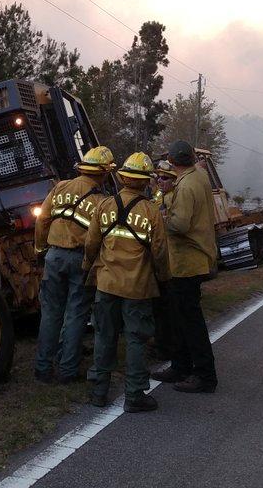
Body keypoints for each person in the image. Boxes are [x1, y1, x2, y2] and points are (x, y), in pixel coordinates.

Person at [84, 152, 170, 412]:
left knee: (104, 336)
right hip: (137, 287)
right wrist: (163, 278)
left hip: (106, 284)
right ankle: (134, 396)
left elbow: (91, 244)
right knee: (135, 338)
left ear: (122, 178)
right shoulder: (151, 211)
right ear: (145, 181)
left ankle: (98, 392)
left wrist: (87, 268)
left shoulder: (104, 205)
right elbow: (160, 251)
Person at [34, 145, 115, 384]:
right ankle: (68, 370)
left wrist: (40, 248)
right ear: (104, 172)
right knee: (76, 314)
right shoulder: (102, 201)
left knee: (50, 314)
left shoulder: (60, 187)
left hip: (53, 256)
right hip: (80, 260)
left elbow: (42, 220)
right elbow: (100, 237)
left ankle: (42, 369)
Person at [153, 140, 219, 393]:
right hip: (194, 257)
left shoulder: (186, 185)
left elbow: (179, 225)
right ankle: (180, 366)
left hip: (186, 260)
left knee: (190, 321)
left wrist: (160, 220)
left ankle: (204, 375)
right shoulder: (199, 175)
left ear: (172, 161)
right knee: (180, 318)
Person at [150, 160, 177, 361]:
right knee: (159, 306)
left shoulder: (175, 198)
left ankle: (167, 347)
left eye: (165, 178)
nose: (160, 180)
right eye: (158, 177)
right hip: (160, 257)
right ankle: (161, 344)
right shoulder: (159, 196)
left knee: (167, 307)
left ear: (174, 180)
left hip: (171, 260)